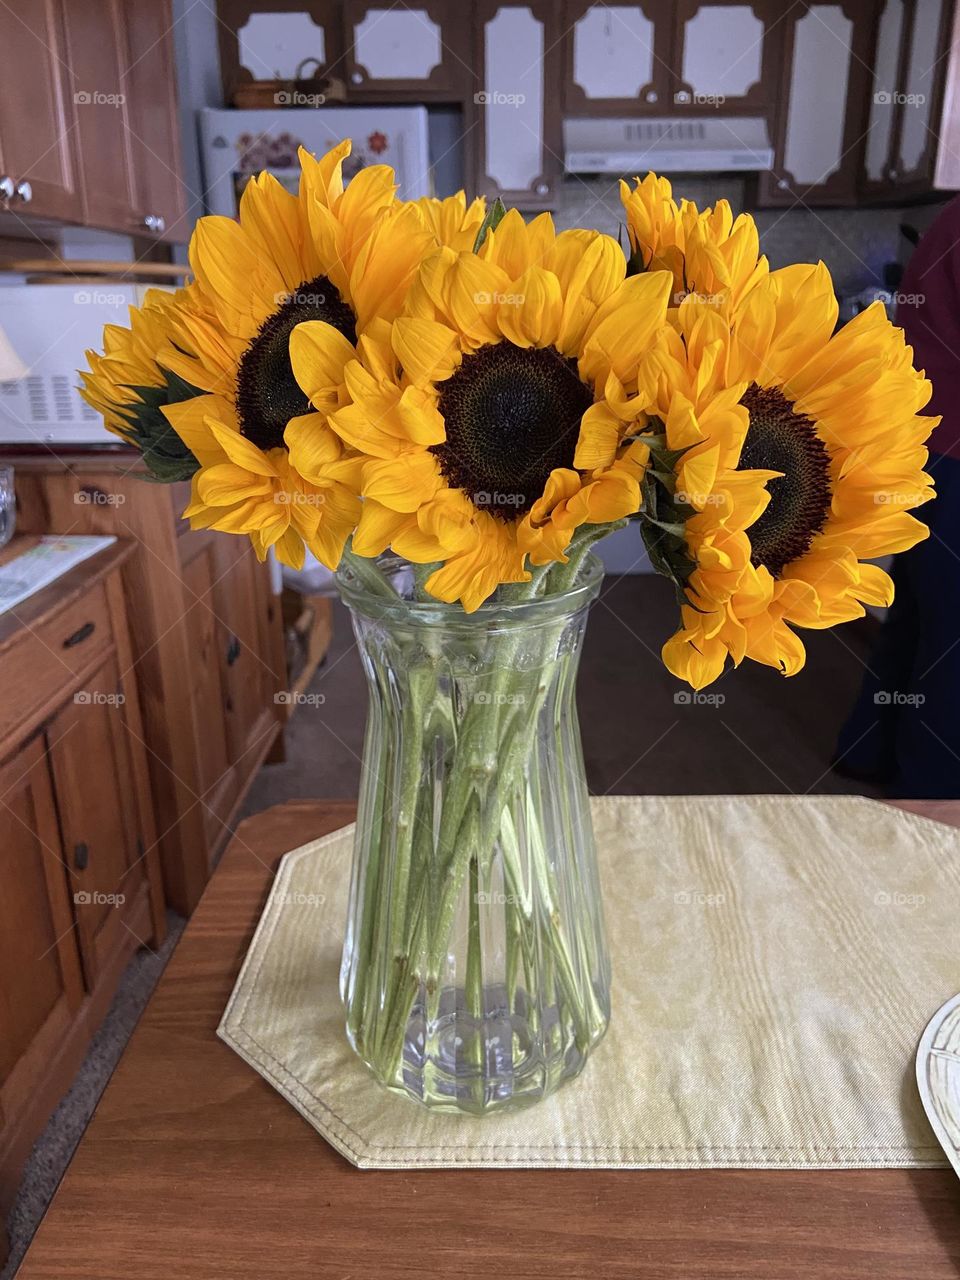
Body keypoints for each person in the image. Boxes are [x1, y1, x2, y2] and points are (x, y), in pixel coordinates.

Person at [835, 198, 960, 798]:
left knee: (918, 613)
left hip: (922, 444)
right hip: (955, 453)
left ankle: (868, 749)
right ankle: (934, 798)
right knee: (950, 634)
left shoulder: (952, 216)